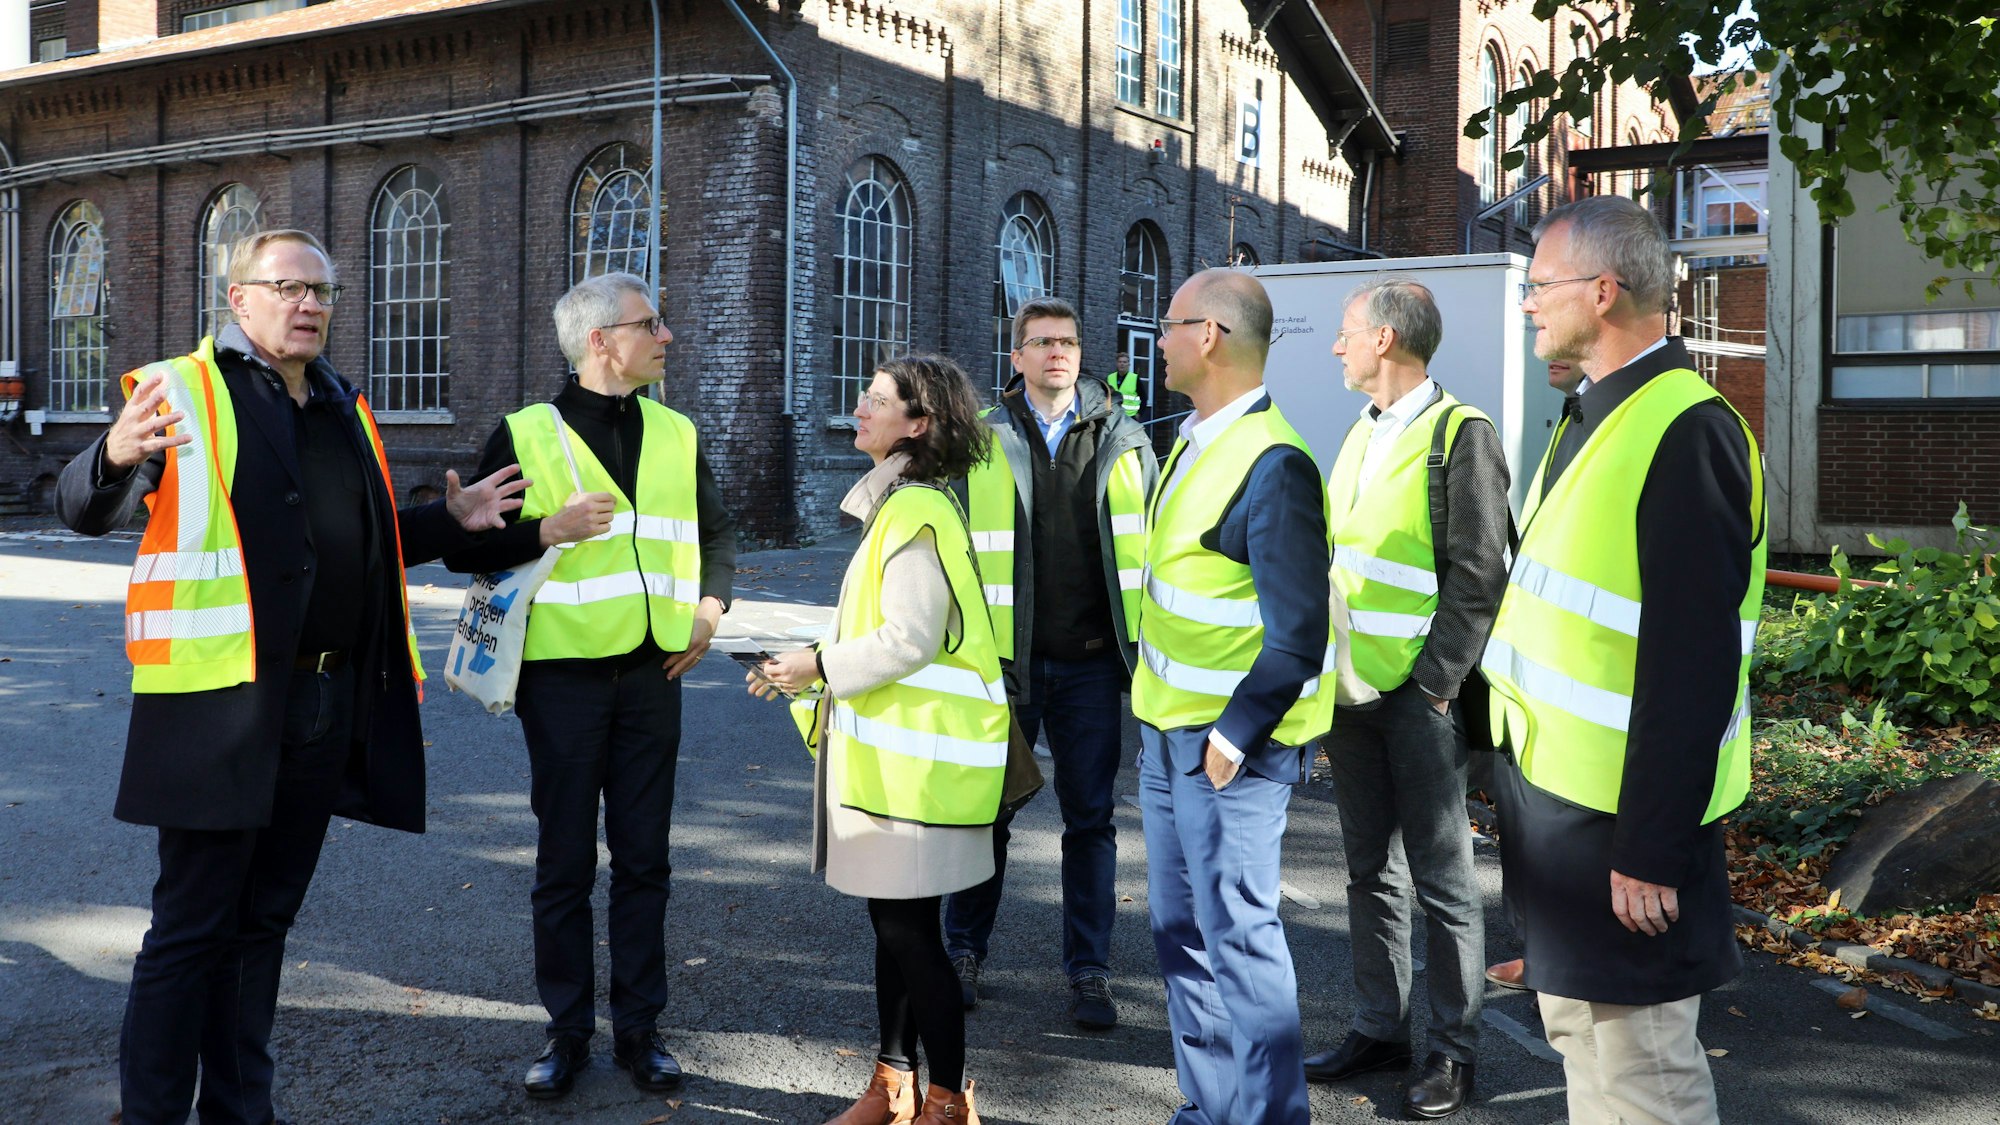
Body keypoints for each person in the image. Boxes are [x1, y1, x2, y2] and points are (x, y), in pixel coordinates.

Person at [55, 229, 527, 1125]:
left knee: (263, 926)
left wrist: (450, 519)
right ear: (239, 300)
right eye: (288, 287)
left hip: (323, 699)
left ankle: (243, 1111)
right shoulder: (185, 390)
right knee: (191, 932)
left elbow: (365, 537)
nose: (309, 304)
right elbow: (82, 509)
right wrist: (112, 454)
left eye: (322, 291)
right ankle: (150, 1113)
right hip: (216, 706)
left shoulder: (341, 404)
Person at [1483, 195, 1764, 1123]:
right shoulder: (1598, 414)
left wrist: (1650, 847)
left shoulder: (1684, 429)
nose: (1528, 303)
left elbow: (1692, 666)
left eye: (1539, 285)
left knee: (1643, 1072)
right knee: (1590, 1049)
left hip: (1620, 832)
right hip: (1567, 818)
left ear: (1602, 292)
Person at [443, 271, 736, 1099]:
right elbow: (468, 548)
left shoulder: (676, 431)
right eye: (652, 324)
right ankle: (566, 1031)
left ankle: (641, 1032)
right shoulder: (526, 432)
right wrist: (547, 529)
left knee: (646, 859)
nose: (667, 337)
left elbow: (715, 531)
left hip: (655, 672)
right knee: (564, 859)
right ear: (600, 341)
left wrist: (709, 615)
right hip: (562, 679)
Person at [752, 354, 1004, 1125]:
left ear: (918, 424)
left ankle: (947, 1100)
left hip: (917, 765)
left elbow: (911, 639)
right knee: (896, 926)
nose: (858, 410)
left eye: (875, 400)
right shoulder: (902, 502)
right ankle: (894, 1083)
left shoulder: (914, 510)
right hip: (900, 760)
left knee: (907, 931)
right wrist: (806, 665)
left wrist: (815, 663)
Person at [1301, 279, 1512, 1119]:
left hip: (1419, 698)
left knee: (1444, 882)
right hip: (1352, 692)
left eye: (1348, 333)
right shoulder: (1359, 432)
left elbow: (1479, 573)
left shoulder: (1463, 434)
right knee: (1367, 871)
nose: (1336, 346)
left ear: (1386, 340)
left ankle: (1453, 1054)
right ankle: (1378, 1028)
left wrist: (1433, 685)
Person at [1131, 268, 1335, 1125]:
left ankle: (1270, 1118)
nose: (1159, 338)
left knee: (1240, 942)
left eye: (1170, 323)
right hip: (1168, 734)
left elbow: (1300, 632)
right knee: (1183, 935)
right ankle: (1207, 1109)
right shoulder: (1195, 435)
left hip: (1227, 752)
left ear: (1209, 335)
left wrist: (1234, 734)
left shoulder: (1272, 462)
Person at [943, 297, 1157, 1029]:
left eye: (1067, 340)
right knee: (985, 814)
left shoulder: (1125, 439)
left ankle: (1090, 972)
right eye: (1041, 342)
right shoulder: (980, 439)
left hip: (1095, 667)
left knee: (1090, 822)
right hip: (1007, 664)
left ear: (1079, 351)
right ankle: (963, 950)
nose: (1056, 352)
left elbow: (1153, 549)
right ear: (1017, 357)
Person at [1106, 350, 1142, 418]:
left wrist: (1139, 414)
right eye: (1120, 362)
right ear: (1116, 363)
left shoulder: (1135, 378)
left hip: (1130, 415)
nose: (1122, 364)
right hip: (1113, 415)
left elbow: (1143, 397)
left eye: (1125, 362)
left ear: (1129, 364)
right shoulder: (1110, 378)